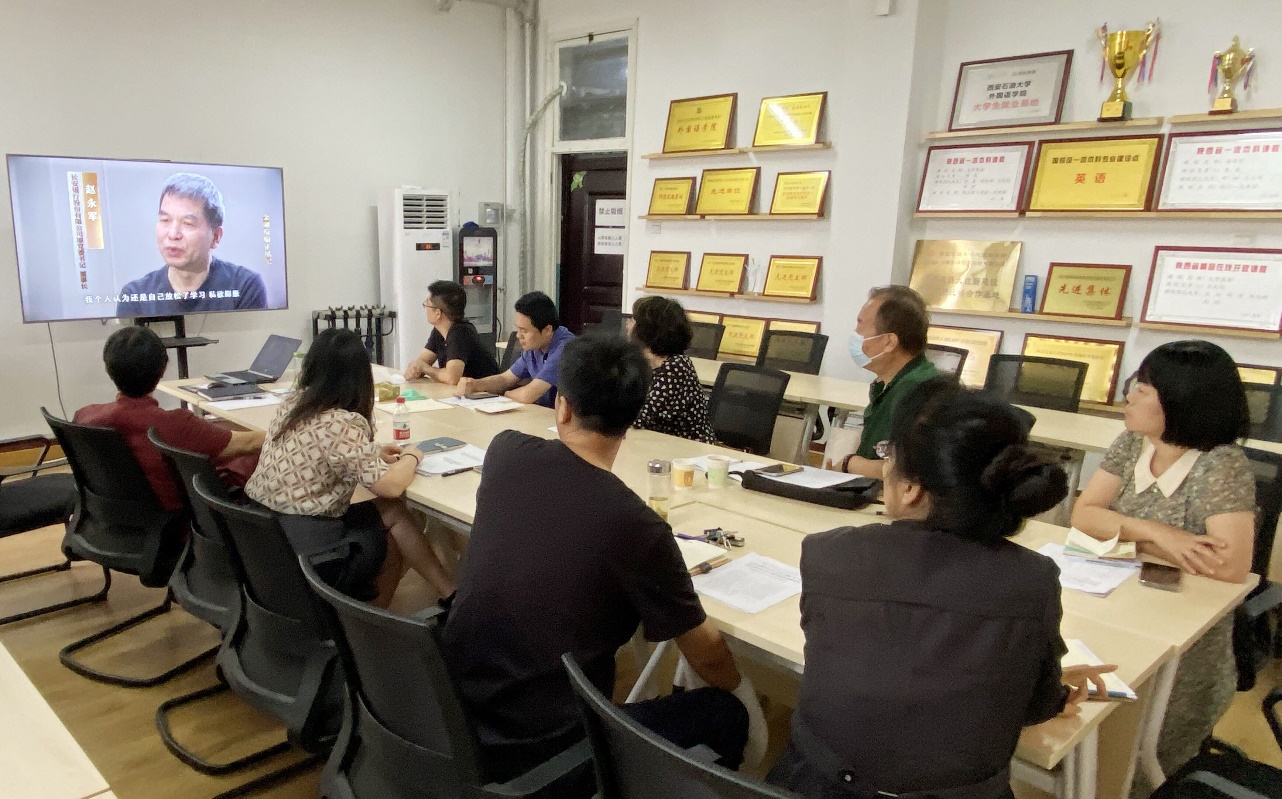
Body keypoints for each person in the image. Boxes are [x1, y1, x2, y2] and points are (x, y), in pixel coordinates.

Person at [441, 334, 762, 789]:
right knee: (725, 712)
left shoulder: (505, 451)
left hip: (454, 710)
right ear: (632, 418)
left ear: (562, 407)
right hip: (549, 750)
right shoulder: (635, 523)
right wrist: (746, 697)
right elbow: (706, 654)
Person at [771, 378, 1114, 799]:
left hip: (816, 786)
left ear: (911, 489)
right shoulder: (1033, 579)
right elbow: (1030, 708)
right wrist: (1045, 684)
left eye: (886, 455)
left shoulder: (830, 554)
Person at [1071, 340, 1255, 790]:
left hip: (1184, 639)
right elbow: (1084, 514)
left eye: (1144, 389)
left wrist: (1123, 533)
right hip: (1121, 601)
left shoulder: (1220, 465)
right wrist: (1159, 533)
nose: (1129, 396)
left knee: (1133, 755)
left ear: (1182, 401)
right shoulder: (1131, 443)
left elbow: (1228, 567)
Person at [245, 329, 455, 607]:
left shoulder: (293, 403)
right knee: (391, 528)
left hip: (264, 537)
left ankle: (450, 593)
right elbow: (391, 486)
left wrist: (372, 452)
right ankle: (370, 624)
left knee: (390, 511)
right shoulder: (341, 422)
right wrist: (412, 457)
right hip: (309, 551)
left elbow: (320, 448)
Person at [75, 326, 262, 512]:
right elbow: (250, 443)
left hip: (115, 517)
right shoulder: (177, 425)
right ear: (163, 370)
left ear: (106, 369)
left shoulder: (84, 416)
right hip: (181, 522)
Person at [116, 173, 267, 317]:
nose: (173, 234)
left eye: (188, 223)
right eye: (165, 220)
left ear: (215, 236)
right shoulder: (135, 296)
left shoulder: (245, 286)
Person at [833, 285, 939, 479]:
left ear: (889, 342)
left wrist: (851, 464)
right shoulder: (889, 384)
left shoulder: (917, 392)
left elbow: (909, 471)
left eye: (860, 325)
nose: (855, 333)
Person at [454, 291, 574, 407]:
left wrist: (505, 394)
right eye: (518, 329)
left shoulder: (566, 349)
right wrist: (474, 384)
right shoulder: (535, 347)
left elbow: (528, 395)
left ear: (547, 330)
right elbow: (505, 379)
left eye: (524, 331)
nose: (518, 335)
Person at [628, 296, 716, 444]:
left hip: (688, 448)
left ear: (647, 330)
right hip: (656, 442)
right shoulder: (643, 362)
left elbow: (641, 417)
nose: (629, 323)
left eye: (634, 319)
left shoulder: (676, 367)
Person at [403, 280, 499, 384]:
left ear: (438, 313)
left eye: (427, 305)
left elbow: (452, 378)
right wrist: (416, 368)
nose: (425, 309)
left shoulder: (461, 333)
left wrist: (424, 368)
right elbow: (421, 363)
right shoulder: (439, 331)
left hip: (486, 392)